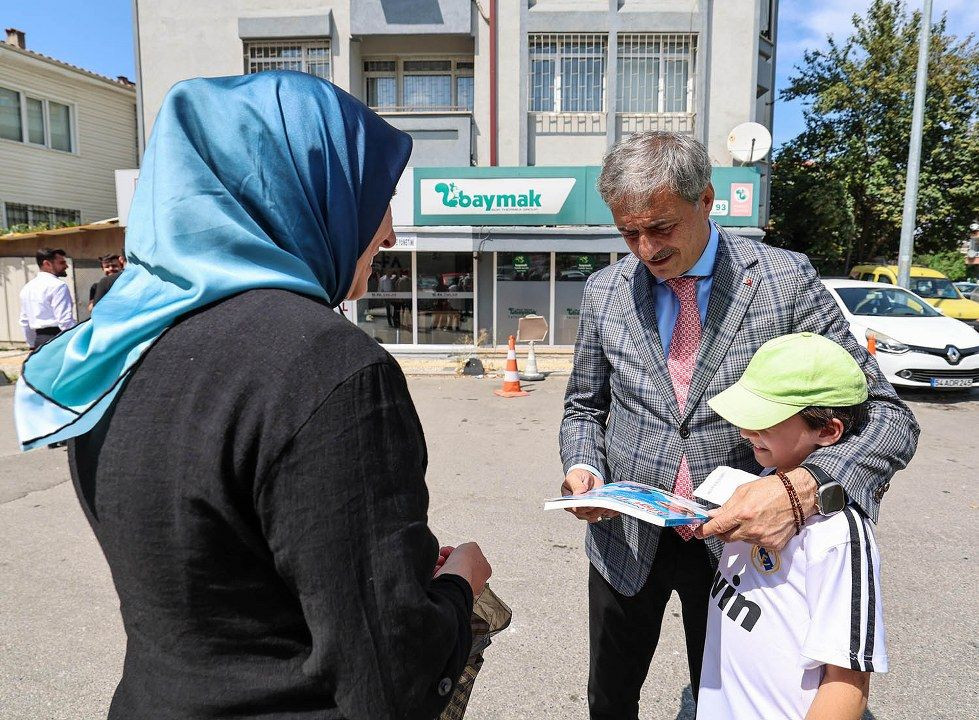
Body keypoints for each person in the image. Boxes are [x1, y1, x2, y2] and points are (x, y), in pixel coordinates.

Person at [15, 71, 491, 720]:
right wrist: (460, 586)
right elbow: (389, 675)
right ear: (304, 190)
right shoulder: (325, 364)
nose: (389, 234)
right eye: (375, 196)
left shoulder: (107, 350)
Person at [558, 131, 917, 719]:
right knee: (611, 696)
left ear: (706, 199)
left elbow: (886, 414)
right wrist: (583, 466)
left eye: (661, 228)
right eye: (628, 233)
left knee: (723, 698)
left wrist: (802, 487)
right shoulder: (604, 291)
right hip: (624, 541)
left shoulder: (784, 280)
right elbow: (584, 408)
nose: (645, 250)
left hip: (740, 547)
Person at [698, 332, 888, 720]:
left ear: (829, 430)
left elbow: (847, 682)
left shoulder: (838, 534)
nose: (745, 432)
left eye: (763, 421)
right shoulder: (758, 482)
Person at [19, 247, 77, 350]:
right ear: (47, 264)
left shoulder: (27, 288)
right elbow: (65, 321)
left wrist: (32, 345)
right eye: (62, 262)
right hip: (57, 339)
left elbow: (24, 321)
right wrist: (77, 340)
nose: (66, 266)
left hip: (39, 341)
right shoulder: (58, 286)